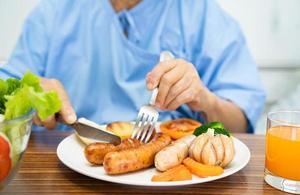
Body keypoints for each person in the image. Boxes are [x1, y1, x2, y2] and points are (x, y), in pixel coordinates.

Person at [0, 0, 265, 133]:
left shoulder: (201, 14)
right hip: (60, 172)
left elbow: (241, 126)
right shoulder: (54, 12)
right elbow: (6, 91)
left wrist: (205, 100)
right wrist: (32, 91)